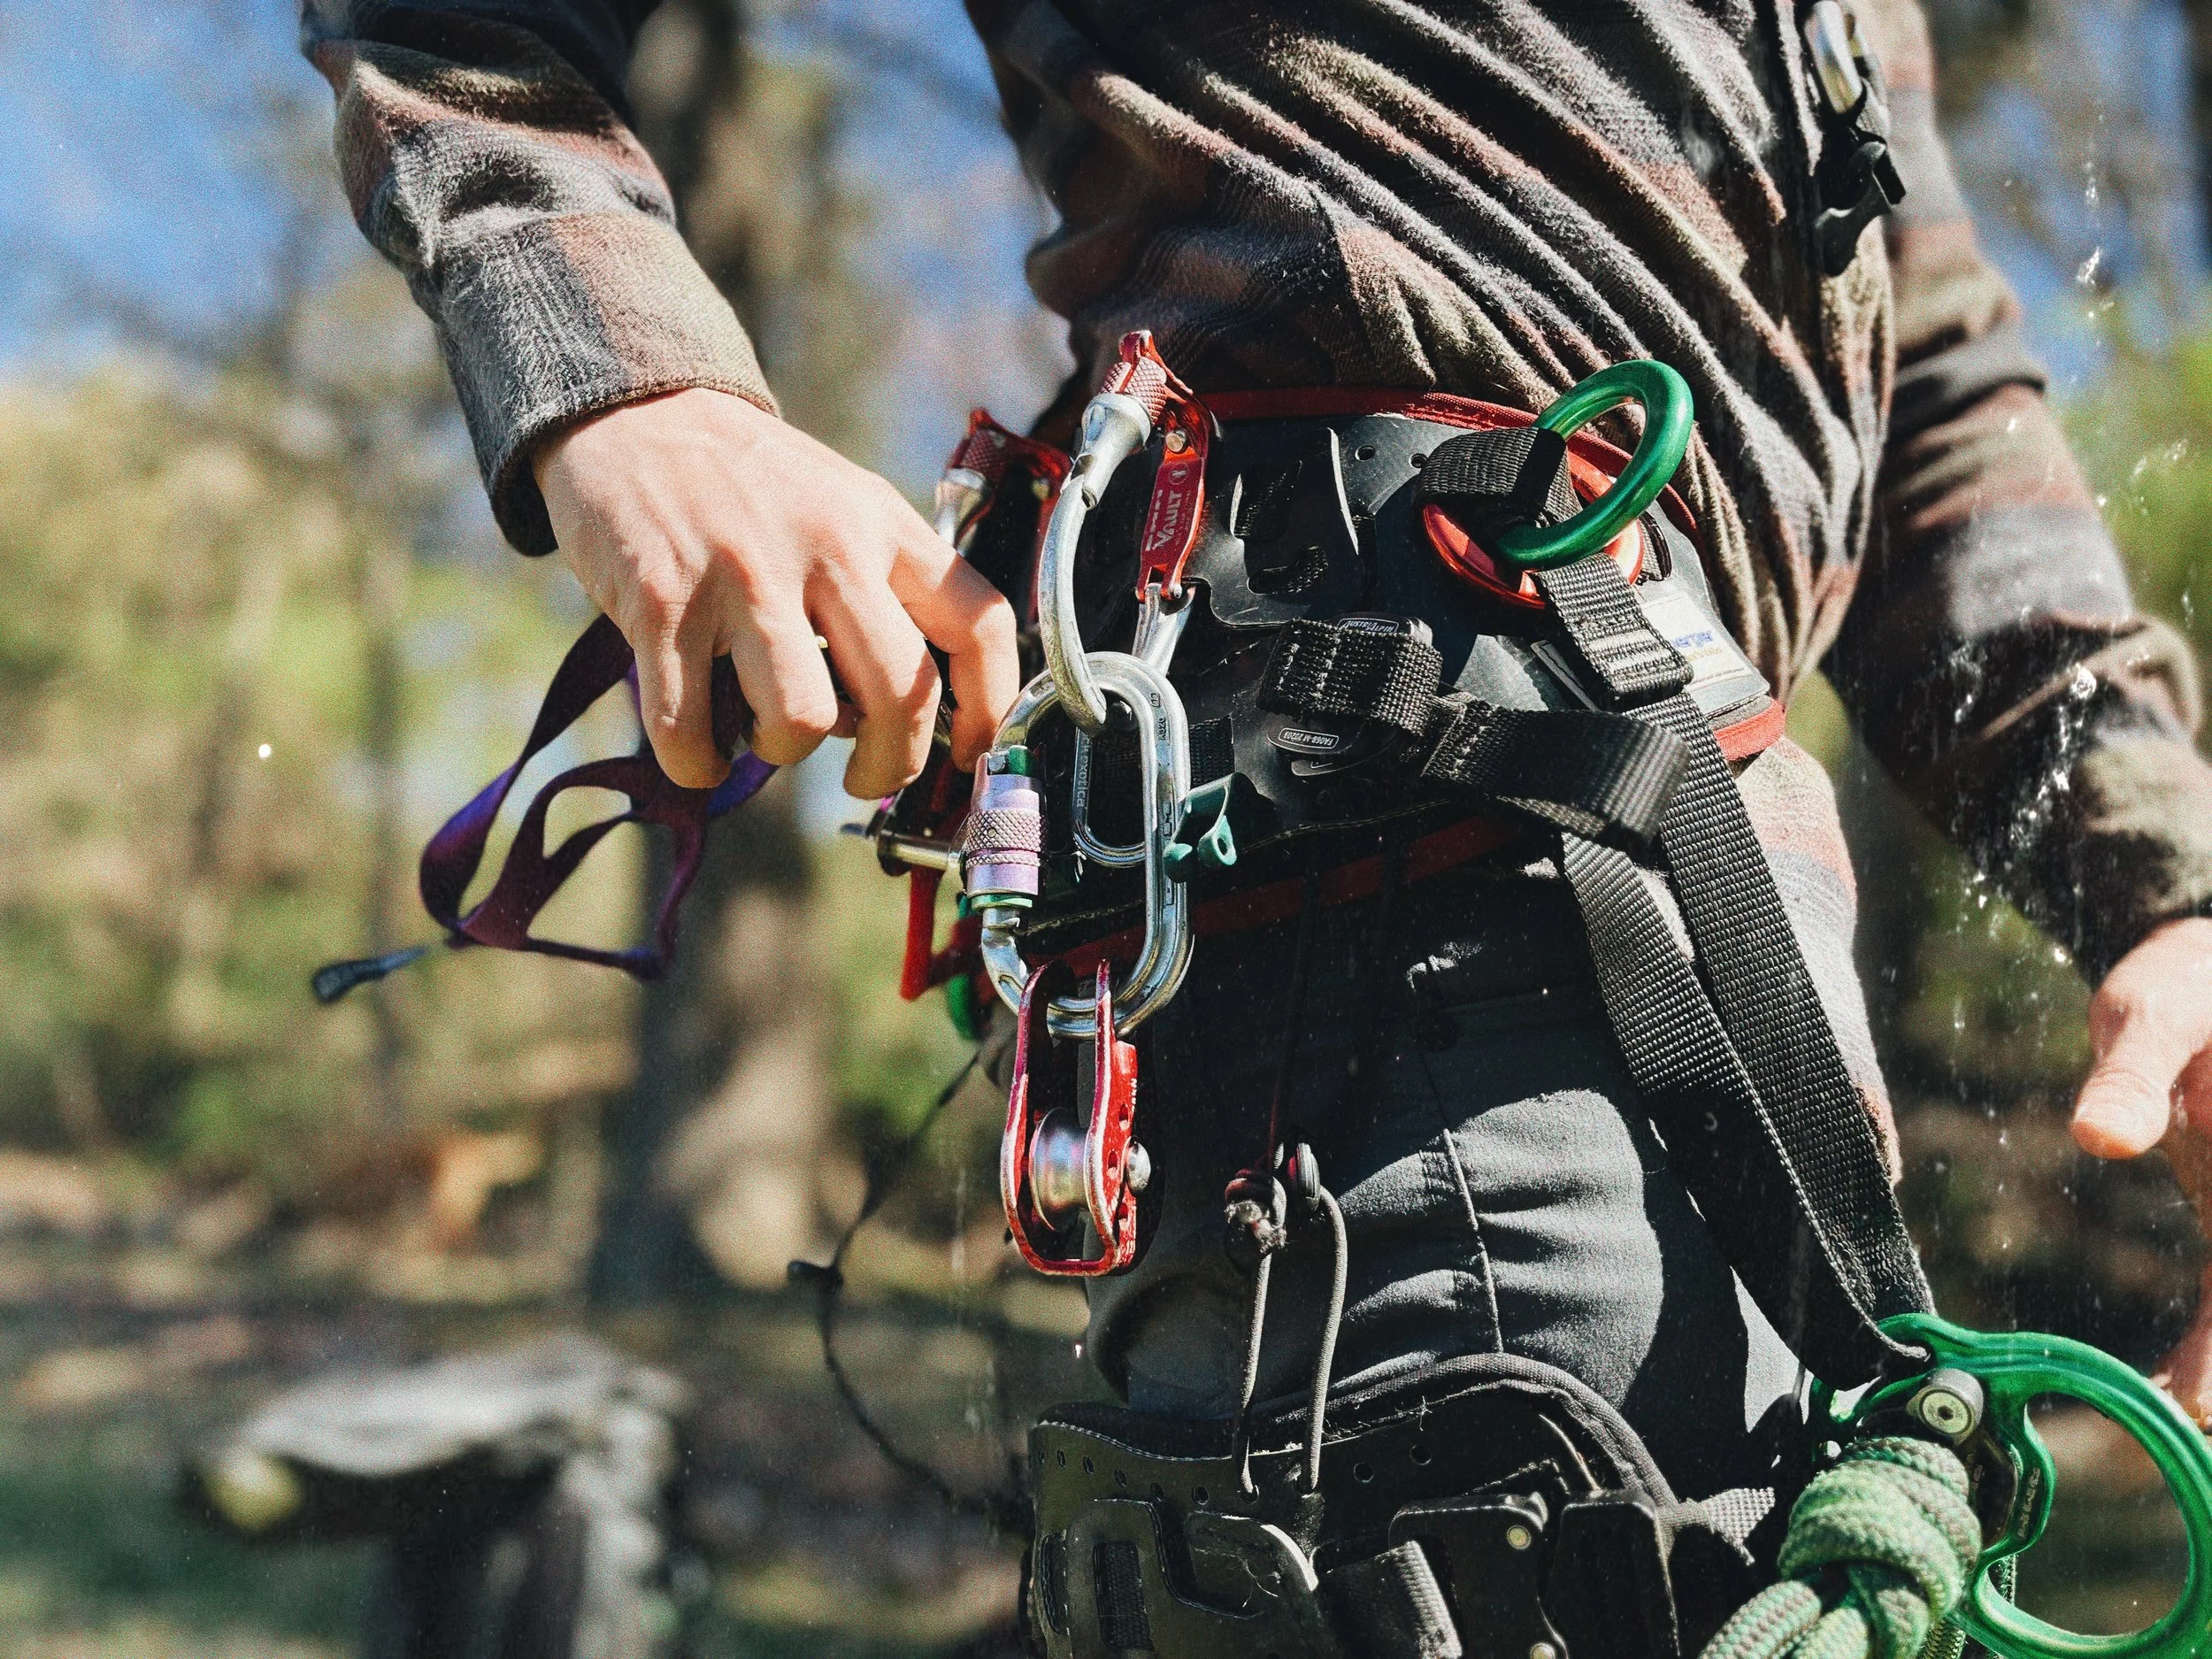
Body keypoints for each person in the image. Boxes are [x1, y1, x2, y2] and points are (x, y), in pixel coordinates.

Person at [300, 0, 2212, 1605]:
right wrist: (624, 377)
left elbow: (1928, 391)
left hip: (1724, 899)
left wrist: (2160, 888)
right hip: (1405, 892)